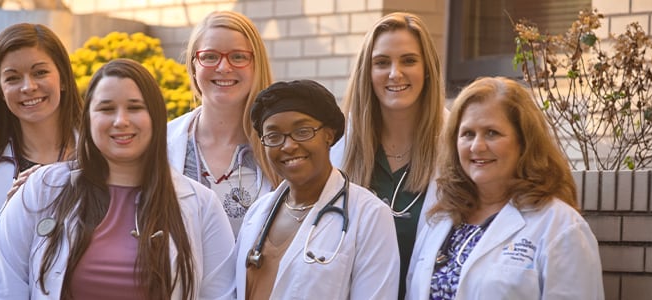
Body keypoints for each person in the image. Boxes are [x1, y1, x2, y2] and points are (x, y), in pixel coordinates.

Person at [0, 59, 235, 299]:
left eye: (135, 108)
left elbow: (220, 296)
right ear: (88, 119)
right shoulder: (40, 190)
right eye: (106, 109)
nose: (120, 121)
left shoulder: (202, 206)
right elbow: (4, 289)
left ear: (156, 117)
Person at [404, 77, 601, 299]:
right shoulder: (439, 220)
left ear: (524, 142)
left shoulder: (561, 227)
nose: (477, 146)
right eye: (468, 134)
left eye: (492, 133)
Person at [0, 23, 83, 300]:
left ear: (63, 79)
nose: (28, 87)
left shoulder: (99, 159)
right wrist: (11, 219)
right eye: (12, 78)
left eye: (40, 72)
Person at [234, 80, 398, 300]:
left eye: (302, 131)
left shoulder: (369, 215)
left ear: (328, 135)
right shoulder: (257, 213)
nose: (288, 145)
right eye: (273, 136)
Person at [333, 12, 448, 297]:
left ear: (427, 69)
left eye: (408, 60)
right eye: (382, 63)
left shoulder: (455, 146)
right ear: (367, 73)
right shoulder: (338, 145)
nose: (395, 73)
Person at [169, 11, 280, 233]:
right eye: (210, 56)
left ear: (256, 65)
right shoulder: (162, 144)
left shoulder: (282, 147)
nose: (223, 67)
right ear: (193, 66)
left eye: (238, 57)